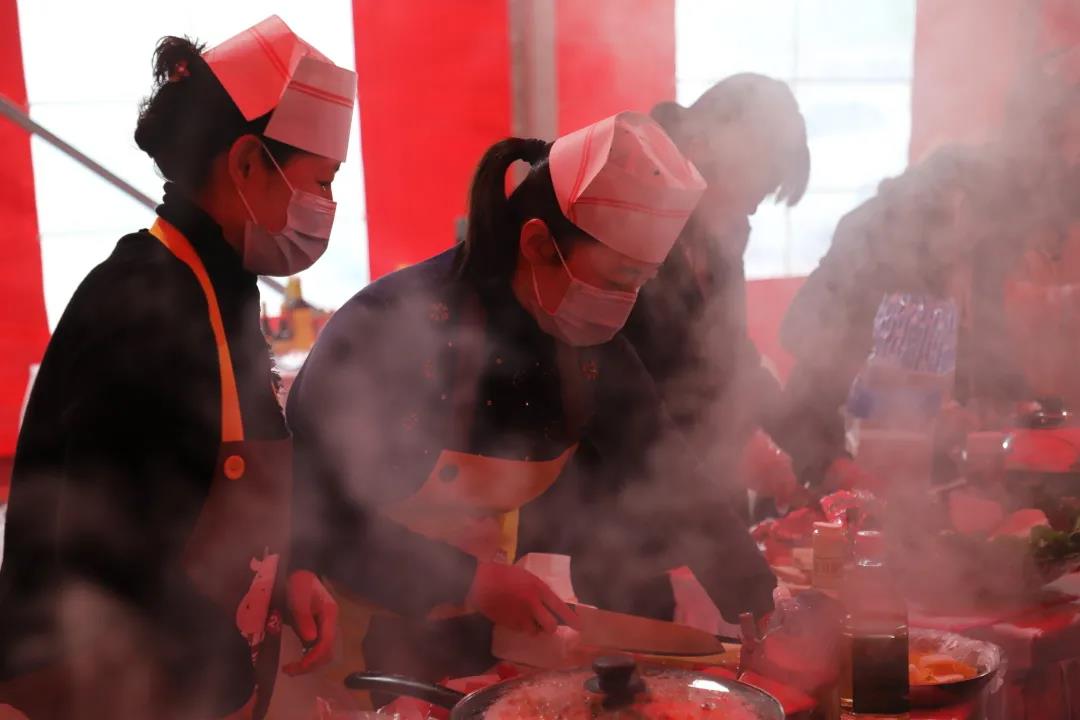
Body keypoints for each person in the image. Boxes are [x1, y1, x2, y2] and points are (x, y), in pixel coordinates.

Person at [286, 112, 776, 685]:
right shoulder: (389, 328)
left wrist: (763, 607)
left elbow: (673, 478)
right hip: (350, 644)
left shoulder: (589, 347)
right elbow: (314, 516)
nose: (626, 303)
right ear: (539, 243)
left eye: (640, 282)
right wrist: (469, 579)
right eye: (616, 279)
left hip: (483, 638)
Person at [0, 17, 354, 720]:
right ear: (247, 163)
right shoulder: (143, 304)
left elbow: (202, 494)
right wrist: (218, 682)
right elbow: (112, 563)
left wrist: (290, 568)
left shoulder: (222, 287)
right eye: (322, 181)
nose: (328, 207)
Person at [622, 74, 811, 514]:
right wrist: (720, 446)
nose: (754, 206)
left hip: (700, 501)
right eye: (756, 185)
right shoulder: (631, 210)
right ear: (710, 146)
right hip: (626, 502)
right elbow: (619, 380)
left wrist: (821, 453)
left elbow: (731, 359)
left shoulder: (720, 233)